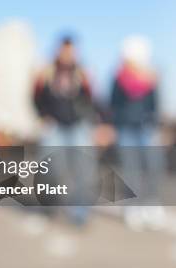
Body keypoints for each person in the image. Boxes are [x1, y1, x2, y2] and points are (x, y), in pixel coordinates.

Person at [34, 35, 97, 224]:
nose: (68, 53)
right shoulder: (46, 72)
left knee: (84, 168)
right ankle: (50, 204)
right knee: (50, 167)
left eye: (71, 49)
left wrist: (95, 123)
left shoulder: (83, 73)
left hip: (78, 125)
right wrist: (44, 116)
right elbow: (35, 97)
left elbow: (91, 99)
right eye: (64, 49)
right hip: (54, 126)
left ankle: (80, 212)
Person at [110, 35, 165, 231]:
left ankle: (152, 204)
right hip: (125, 129)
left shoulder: (151, 78)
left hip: (146, 128)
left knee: (153, 167)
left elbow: (155, 104)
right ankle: (132, 208)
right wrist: (113, 126)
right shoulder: (119, 78)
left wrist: (157, 126)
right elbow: (113, 104)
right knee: (130, 169)